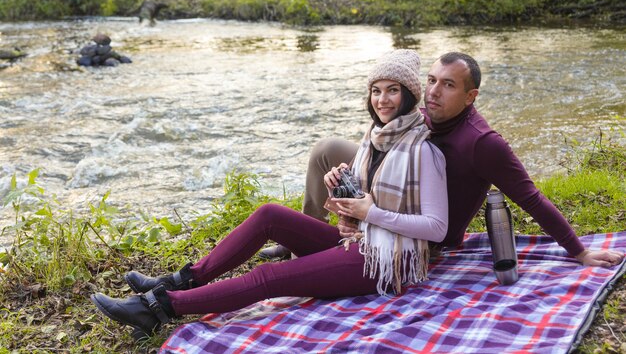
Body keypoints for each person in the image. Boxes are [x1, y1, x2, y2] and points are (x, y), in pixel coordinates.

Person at [90, 49, 449, 339]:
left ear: (408, 96)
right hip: (360, 241)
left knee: (269, 278)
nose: (382, 99)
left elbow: (436, 228)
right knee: (269, 215)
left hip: (385, 263)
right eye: (376, 90)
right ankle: (180, 280)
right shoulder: (376, 139)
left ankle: (157, 308)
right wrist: (341, 184)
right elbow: (369, 197)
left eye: (392, 90)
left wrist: (371, 213)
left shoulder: (423, 151)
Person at [261, 51, 624, 268]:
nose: (433, 92)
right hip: (394, 187)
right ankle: (306, 237)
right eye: (432, 80)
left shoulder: (483, 143)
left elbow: (531, 197)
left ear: (470, 96)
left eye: (448, 85)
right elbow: (382, 140)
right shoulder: (429, 112)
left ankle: (313, 247)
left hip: (424, 225)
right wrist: (352, 169)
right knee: (327, 151)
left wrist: (578, 251)